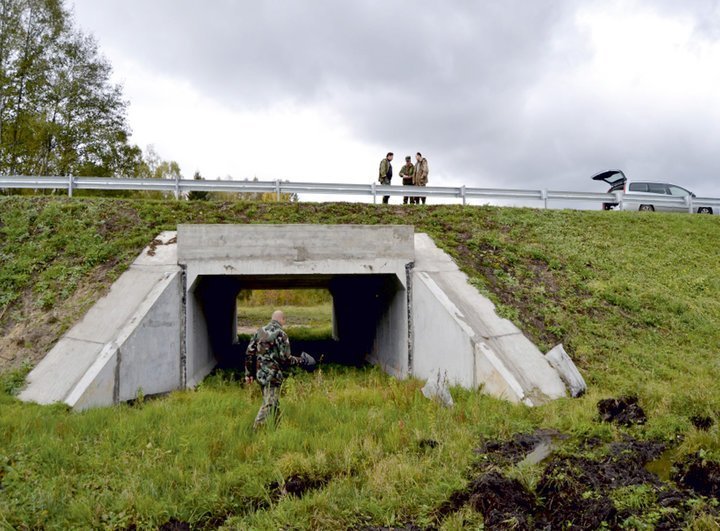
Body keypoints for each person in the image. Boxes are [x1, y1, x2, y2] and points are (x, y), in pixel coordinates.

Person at [245, 310, 306, 429]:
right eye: (284, 320)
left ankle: (278, 427)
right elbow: (285, 359)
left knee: (273, 401)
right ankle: (256, 430)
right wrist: (300, 360)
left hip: (260, 374)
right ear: (282, 319)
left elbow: (249, 353)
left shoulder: (259, 331)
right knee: (269, 403)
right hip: (273, 375)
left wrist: (249, 374)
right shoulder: (282, 334)